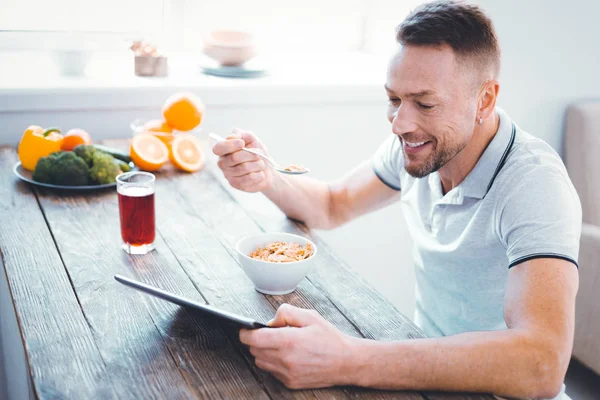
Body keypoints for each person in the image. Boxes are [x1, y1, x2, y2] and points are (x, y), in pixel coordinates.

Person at [212, 1, 581, 398]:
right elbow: (333, 204)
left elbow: (542, 362)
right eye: (394, 99)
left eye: (425, 103)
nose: (400, 123)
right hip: (427, 380)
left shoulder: (534, 182)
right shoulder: (417, 147)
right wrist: (266, 178)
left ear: (485, 101)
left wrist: (348, 358)